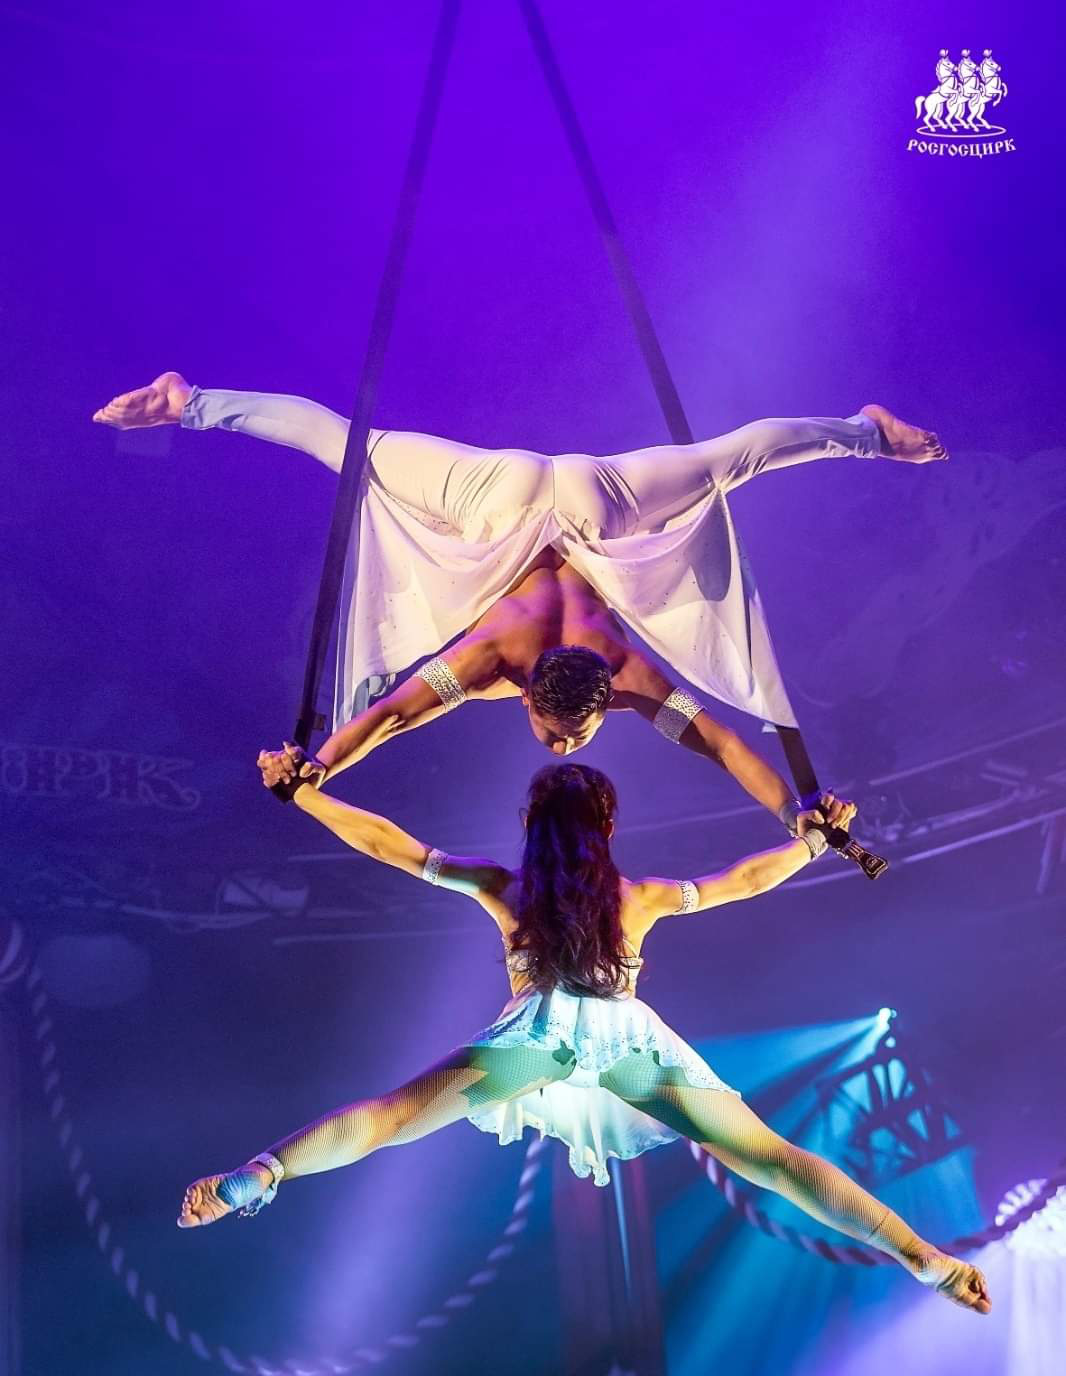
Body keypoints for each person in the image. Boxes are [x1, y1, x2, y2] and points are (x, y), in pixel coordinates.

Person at [177, 754, 990, 1315]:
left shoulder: (505, 888)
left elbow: (390, 846)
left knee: (390, 1119)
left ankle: (253, 1179)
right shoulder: (638, 896)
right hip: (631, 1049)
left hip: (537, 1042)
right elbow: (745, 881)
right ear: (605, 826)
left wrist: (307, 795)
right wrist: (811, 841)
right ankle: (925, 1257)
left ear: (531, 822)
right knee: (774, 1160)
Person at [93, 372, 944, 833]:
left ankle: (189, 402)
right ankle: (190, 403)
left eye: (559, 736)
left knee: (728, 459)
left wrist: (797, 811)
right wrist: (318, 767)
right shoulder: (514, 655)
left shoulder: (618, 671)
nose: (564, 740)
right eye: (567, 734)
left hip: (584, 500)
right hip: (511, 502)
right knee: (347, 450)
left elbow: (723, 743)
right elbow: (389, 714)